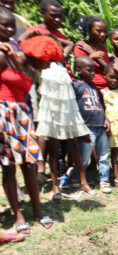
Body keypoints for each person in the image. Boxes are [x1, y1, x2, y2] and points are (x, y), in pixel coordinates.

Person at [24, 35, 91, 199]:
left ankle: (83, 182)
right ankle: (55, 187)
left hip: (68, 111)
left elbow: (68, 44)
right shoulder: (39, 65)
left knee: (74, 146)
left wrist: (53, 40)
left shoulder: (61, 62)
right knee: (53, 149)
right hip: (52, 111)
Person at [0, 29, 52, 232]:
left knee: (30, 165)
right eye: (47, 61)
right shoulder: (3, 56)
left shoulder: (28, 65)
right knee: (9, 167)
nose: (48, 65)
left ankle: (37, 211)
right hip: (4, 113)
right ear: (37, 56)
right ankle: (18, 215)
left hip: (22, 113)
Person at [73, 56, 112, 194]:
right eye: (89, 70)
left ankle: (104, 180)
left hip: (100, 126)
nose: (92, 73)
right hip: (86, 126)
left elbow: (101, 105)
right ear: (78, 70)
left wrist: (106, 118)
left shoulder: (94, 87)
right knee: (84, 156)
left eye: (94, 71)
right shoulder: (75, 86)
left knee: (104, 155)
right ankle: (77, 176)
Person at [74, 16, 110, 90]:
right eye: (99, 31)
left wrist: (90, 51)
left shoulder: (103, 49)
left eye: (104, 31)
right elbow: (78, 67)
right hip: (89, 86)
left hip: (105, 86)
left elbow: (107, 69)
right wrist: (91, 56)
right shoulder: (81, 46)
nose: (103, 34)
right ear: (89, 30)